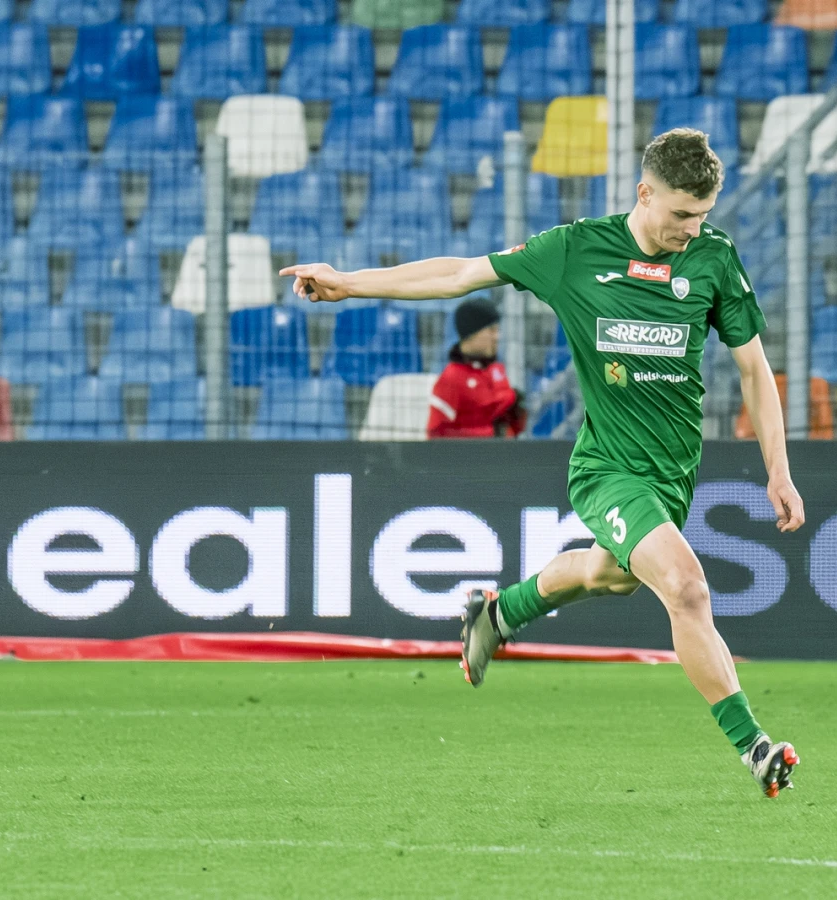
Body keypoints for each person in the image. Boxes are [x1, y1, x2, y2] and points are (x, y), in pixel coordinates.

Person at [280, 128, 807, 799]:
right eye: (681, 214)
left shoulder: (714, 257)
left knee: (605, 574)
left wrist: (778, 469)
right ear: (645, 194)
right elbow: (459, 273)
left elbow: (755, 369)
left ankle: (497, 614)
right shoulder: (575, 251)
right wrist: (349, 283)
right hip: (607, 470)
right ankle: (755, 749)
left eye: (701, 215)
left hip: (673, 476)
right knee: (686, 587)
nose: (691, 229)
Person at [427, 297, 526, 439]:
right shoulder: (451, 378)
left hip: (500, 451)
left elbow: (511, 427)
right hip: (473, 453)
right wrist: (490, 434)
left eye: (498, 330)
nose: (497, 337)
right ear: (471, 334)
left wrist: (516, 417)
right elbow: (435, 435)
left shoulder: (496, 370)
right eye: (491, 330)